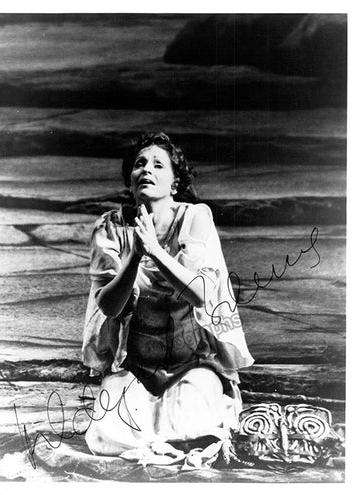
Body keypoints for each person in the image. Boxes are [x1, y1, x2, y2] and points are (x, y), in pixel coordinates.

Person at [82, 132, 254, 457]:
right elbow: (109, 305)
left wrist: (156, 251)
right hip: (135, 367)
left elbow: (200, 294)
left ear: (175, 183)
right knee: (108, 435)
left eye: (158, 165)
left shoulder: (195, 217)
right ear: (130, 181)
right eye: (139, 164)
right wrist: (135, 255)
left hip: (191, 364)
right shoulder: (110, 227)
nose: (147, 169)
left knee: (192, 427)